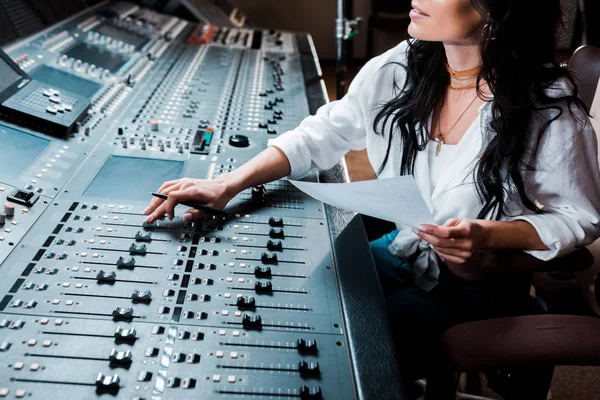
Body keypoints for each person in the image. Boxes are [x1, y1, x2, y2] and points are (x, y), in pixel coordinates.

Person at [144, 0, 600, 392]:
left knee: (345, 348)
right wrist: (229, 182)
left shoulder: (550, 108)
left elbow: (579, 218)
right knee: (293, 299)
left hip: (473, 286)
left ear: (495, 8)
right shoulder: (403, 64)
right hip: (401, 249)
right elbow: (323, 133)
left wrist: (486, 235)